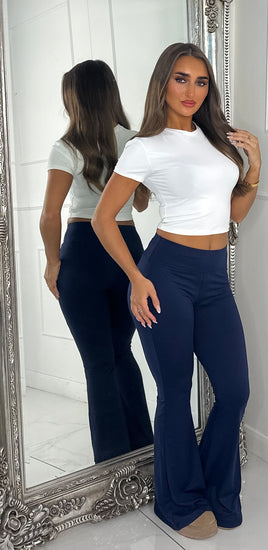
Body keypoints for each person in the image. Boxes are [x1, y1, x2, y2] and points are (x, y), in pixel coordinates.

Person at [92, 43, 261, 539]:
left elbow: (233, 214)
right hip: (166, 273)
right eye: (181, 78)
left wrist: (255, 167)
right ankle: (179, 502)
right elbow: (103, 218)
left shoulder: (218, 141)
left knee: (234, 389)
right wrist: (136, 277)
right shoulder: (145, 147)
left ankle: (216, 490)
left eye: (201, 81)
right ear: (163, 82)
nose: (191, 90)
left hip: (214, 277)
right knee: (175, 389)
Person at [39, 60, 153, 464]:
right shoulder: (136, 141)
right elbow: (140, 203)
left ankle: (111, 465)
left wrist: (52, 262)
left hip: (84, 251)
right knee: (121, 351)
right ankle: (144, 451)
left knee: (98, 362)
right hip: (127, 250)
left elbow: (50, 214)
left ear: (76, 99)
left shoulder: (66, 147)